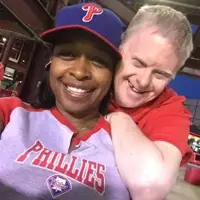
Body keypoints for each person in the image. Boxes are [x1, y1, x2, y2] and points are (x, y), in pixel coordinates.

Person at [0, 3, 130, 200]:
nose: (79, 71)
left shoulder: (125, 144)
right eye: (68, 54)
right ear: (50, 61)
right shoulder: (11, 113)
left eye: (99, 60)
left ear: (113, 74)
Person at [107, 4, 194, 200]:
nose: (143, 81)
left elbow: (151, 191)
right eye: (138, 63)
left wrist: (118, 119)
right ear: (120, 48)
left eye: (160, 74)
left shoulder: (171, 112)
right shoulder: (94, 76)